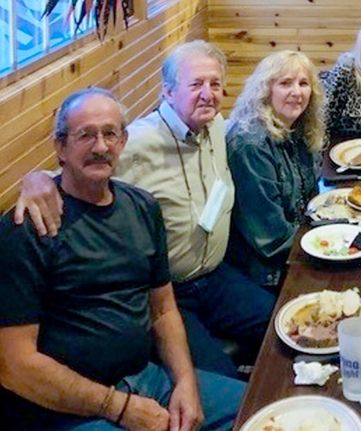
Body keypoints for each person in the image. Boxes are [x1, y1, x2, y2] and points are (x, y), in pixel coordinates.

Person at [13, 40, 276, 379]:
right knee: (218, 376)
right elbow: (77, 168)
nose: (208, 94)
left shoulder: (215, 126)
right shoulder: (134, 141)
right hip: (168, 293)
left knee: (283, 324)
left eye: (215, 84)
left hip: (215, 277)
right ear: (167, 92)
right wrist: (35, 179)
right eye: (196, 84)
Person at [0, 88, 243, 431]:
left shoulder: (142, 207)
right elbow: (15, 366)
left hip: (146, 378)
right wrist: (118, 407)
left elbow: (164, 309)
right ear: (60, 147)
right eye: (86, 135)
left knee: (257, 409)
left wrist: (186, 382)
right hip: (67, 411)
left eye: (110, 133)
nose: (101, 146)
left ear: (123, 140)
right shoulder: (29, 227)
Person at [225, 51, 324, 290]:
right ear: (266, 90)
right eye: (285, 83)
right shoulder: (251, 144)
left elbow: (309, 199)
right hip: (268, 272)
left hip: (295, 248)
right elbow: (271, 238)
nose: (297, 92)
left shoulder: (297, 128)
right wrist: (327, 243)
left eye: (303, 84)